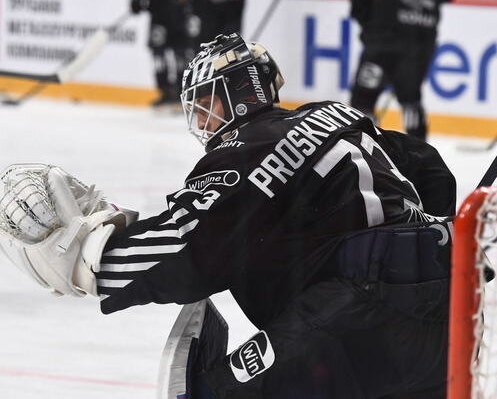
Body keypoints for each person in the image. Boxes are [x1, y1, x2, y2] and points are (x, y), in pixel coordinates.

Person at [0, 34, 456, 398]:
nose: (200, 117)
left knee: (217, 392)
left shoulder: (246, 150)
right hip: (446, 315)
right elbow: (431, 170)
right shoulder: (338, 116)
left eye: (207, 101)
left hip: (354, 318)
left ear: (236, 94)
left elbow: (190, 248)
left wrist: (91, 260)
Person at [349, 0, 463, 140]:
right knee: (410, 101)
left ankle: (363, 144)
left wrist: (371, 29)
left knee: (364, 101)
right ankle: (420, 151)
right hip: (415, 47)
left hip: (383, 45)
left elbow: (360, 2)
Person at [130, 0, 200, 109]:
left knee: (181, 56)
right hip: (159, 17)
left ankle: (181, 91)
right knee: (159, 56)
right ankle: (166, 92)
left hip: (180, 18)